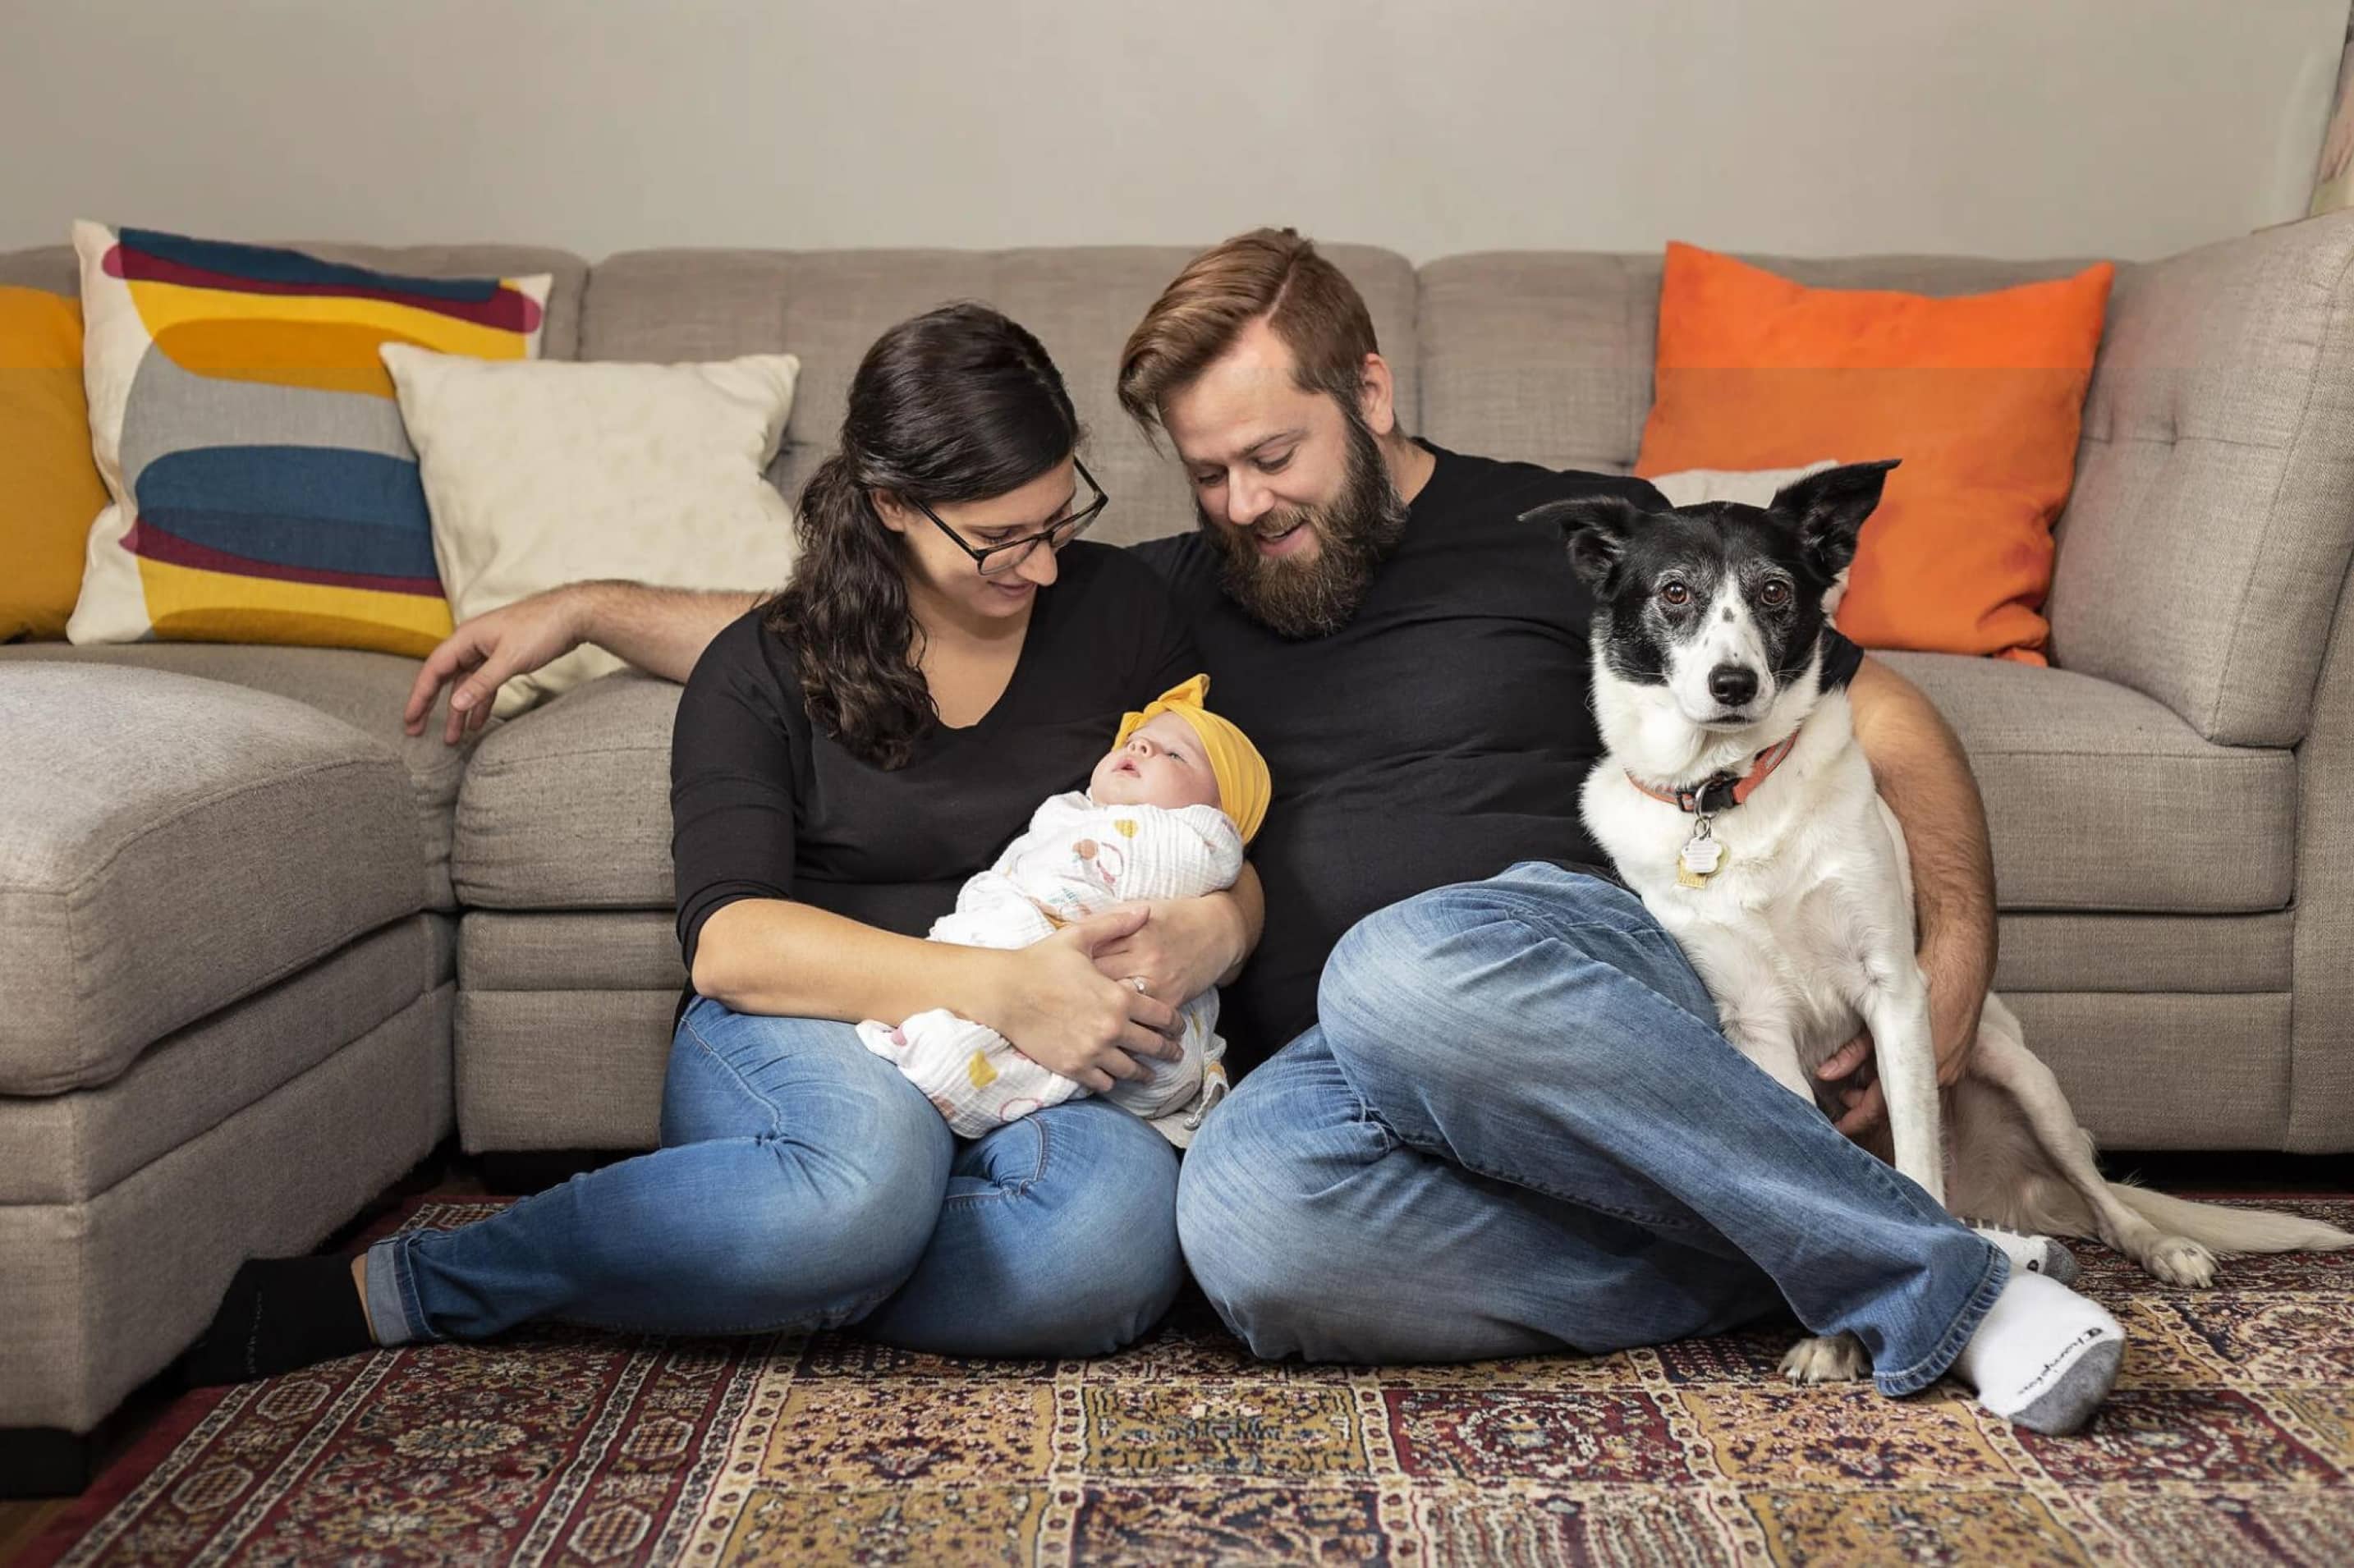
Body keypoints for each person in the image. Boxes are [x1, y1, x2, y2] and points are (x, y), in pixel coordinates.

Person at [393, 232, 2124, 1433]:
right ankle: (1790, 1243)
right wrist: (586, 605)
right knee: (1241, 1234)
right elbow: (877, 623)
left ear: (1365, 392)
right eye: (1203, 472)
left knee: (1390, 963)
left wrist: (1948, 957)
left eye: (1270, 456)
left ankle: (1938, 1283)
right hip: (1334, 1077)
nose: (1242, 506)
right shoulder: (1157, 593)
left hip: (1553, 970)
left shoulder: (1571, 537)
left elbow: (1873, 711)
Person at [185, 302, 1263, 1383]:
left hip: (1048, 1052)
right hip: (813, 1024)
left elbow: (1213, 836)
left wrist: (1214, 928)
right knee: (859, 1184)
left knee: (1107, 1245)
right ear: (890, 501)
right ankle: (426, 1281)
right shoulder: (762, 667)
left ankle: (782, 1258)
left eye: (1056, 520)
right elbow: (732, 944)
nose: (1036, 566)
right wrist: (1002, 986)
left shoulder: (1119, 611)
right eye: (997, 538)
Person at [860, 673, 1271, 1142]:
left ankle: (950, 1074)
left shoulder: (1192, 839)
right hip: (995, 966)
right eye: (1136, 741)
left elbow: (1107, 868)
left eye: (1175, 755)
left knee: (951, 1060)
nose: (1140, 750)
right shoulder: (1068, 812)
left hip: (1101, 999)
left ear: (1221, 811)